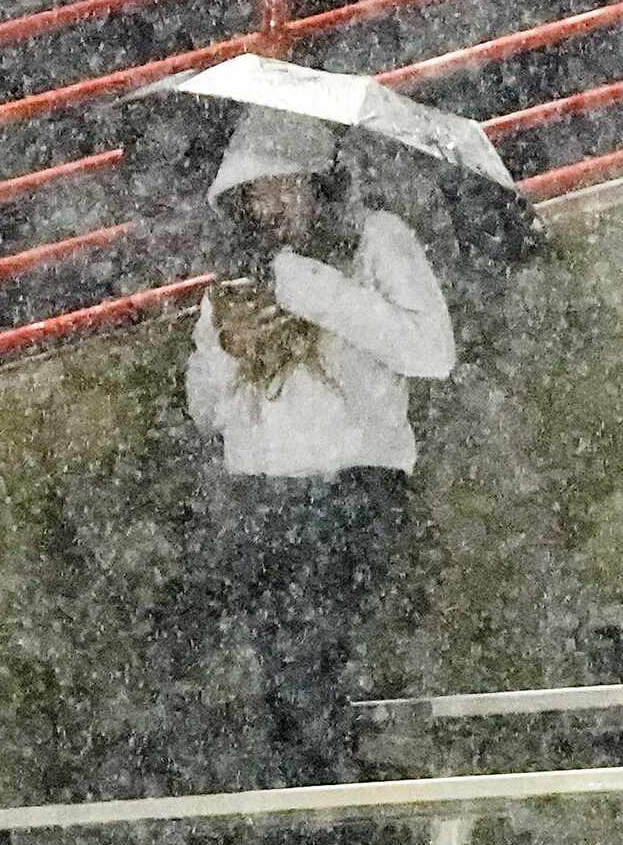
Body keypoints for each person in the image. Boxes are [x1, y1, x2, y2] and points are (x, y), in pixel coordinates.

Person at [185, 105, 456, 792]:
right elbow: (205, 408)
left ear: (317, 183)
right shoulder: (241, 276)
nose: (269, 204)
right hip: (264, 497)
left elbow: (433, 352)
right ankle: (309, 812)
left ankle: (327, 811)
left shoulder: (376, 241)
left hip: (353, 489)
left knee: (315, 659)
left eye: (283, 185)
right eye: (255, 191)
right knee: (282, 674)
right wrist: (227, 347)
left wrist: (323, 297)